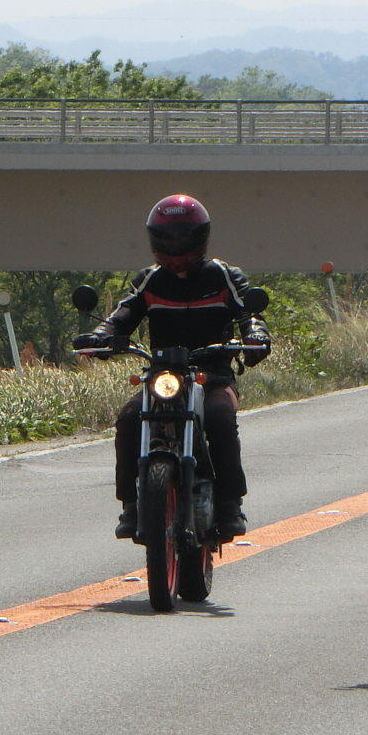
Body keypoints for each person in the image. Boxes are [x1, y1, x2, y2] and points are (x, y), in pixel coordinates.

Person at [74, 194, 271, 540]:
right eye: (167, 237)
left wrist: (255, 337)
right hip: (162, 374)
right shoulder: (150, 280)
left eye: (183, 236)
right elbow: (121, 316)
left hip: (212, 375)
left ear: (201, 236)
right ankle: (131, 505)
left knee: (221, 417)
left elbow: (249, 315)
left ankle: (229, 504)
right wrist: (99, 337)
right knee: (130, 417)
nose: (175, 245)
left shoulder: (223, 275)